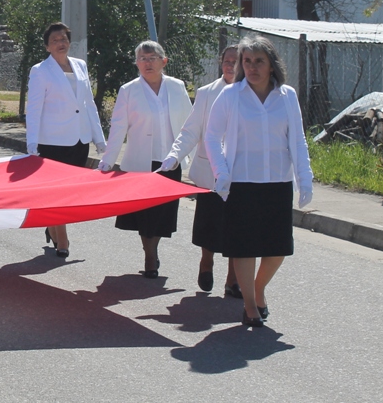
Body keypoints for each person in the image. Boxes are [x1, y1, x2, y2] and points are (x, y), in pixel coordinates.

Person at [204, 35, 313, 328]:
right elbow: (212, 136)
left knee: (277, 248)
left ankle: (258, 288)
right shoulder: (230, 95)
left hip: (277, 182)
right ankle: (250, 305)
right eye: (247, 61)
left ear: (271, 65)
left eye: (259, 61)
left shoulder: (287, 96)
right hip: (241, 182)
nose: (252, 67)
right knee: (244, 246)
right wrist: (222, 172)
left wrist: (305, 178)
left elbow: (298, 140)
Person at [98, 40, 193, 278]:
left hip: (170, 160)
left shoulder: (177, 86)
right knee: (145, 212)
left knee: (163, 212)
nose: (147, 63)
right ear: (136, 63)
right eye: (142, 58)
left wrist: (195, 158)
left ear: (164, 61)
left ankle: (154, 247)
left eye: (152, 58)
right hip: (140, 162)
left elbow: (189, 124)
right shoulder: (128, 90)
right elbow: (118, 127)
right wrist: (107, 161)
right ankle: (149, 254)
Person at [159, 45, 241, 296]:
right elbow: (191, 130)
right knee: (210, 224)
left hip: (242, 172)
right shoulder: (207, 93)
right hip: (211, 172)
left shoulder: (253, 93)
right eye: (226, 61)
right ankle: (207, 261)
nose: (230, 66)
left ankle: (234, 279)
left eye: (235, 61)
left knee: (238, 227)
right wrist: (174, 156)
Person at [25, 22, 106, 258]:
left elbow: (88, 104)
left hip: (79, 140)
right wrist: (32, 143)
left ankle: (52, 224)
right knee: (55, 191)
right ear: (47, 47)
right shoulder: (40, 70)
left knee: (69, 193)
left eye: (64, 39)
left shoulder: (80, 66)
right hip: (52, 141)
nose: (60, 43)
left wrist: (99, 139)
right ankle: (63, 239)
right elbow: (34, 108)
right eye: (55, 41)